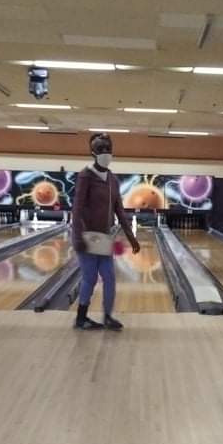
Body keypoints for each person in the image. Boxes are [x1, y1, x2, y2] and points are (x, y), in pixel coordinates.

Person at [72, 132, 140, 330]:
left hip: (104, 238)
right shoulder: (85, 175)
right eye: (100, 149)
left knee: (110, 278)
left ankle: (108, 316)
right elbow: (77, 209)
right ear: (92, 152)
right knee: (90, 278)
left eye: (108, 149)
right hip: (87, 237)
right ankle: (81, 318)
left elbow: (119, 210)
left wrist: (131, 237)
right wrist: (78, 237)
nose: (105, 152)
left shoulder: (113, 179)